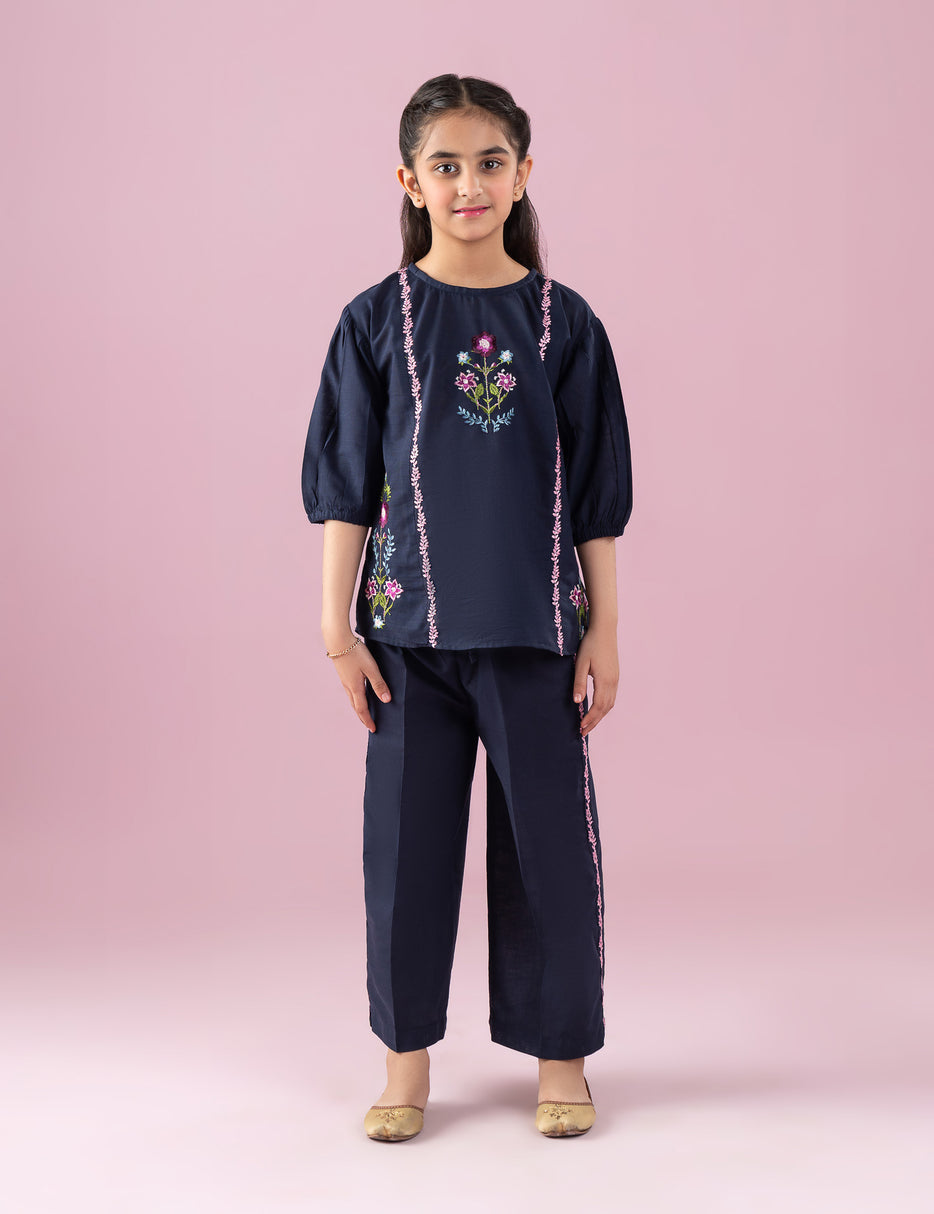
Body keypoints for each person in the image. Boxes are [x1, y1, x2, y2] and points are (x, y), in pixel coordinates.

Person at [301, 73, 633, 1141]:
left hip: (537, 631)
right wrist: (336, 627)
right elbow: (346, 485)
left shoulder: (564, 323)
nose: (469, 184)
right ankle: (404, 1065)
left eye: (490, 162)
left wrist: (606, 627)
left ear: (523, 173)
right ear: (409, 182)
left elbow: (596, 492)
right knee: (404, 855)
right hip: (406, 638)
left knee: (550, 850)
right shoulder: (375, 321)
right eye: (444, 165)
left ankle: (560, 1058)